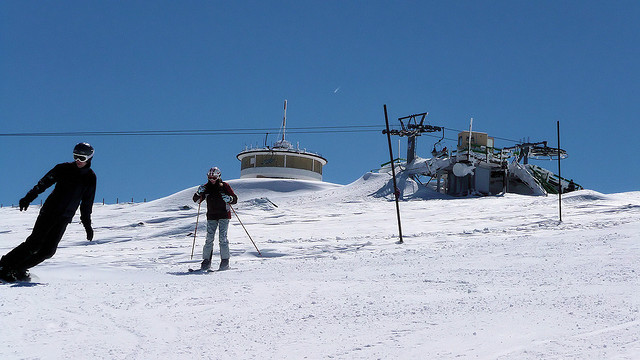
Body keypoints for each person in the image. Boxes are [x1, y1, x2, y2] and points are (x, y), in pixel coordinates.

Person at [0, 142, 97, 282]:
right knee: (34, 243)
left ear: (89, 158)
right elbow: (43, 184)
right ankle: (4, 266)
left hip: (64, 217)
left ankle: (18, 269)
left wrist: (87, 224)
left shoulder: (90, 178)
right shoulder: (63, 168)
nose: (78, 161)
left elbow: (87, 203)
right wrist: (29, 197)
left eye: (82, 158)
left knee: (48, 251)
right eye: (76, 156)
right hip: (49, 212)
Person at [192, 167, 237, 271]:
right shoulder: (206, 187)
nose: (212, 179)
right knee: (209, 239)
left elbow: (235, 199)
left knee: (223, 238)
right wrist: (198, 193)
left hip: (224, 215)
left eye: (214, 177)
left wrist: (229, 199)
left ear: (218, 176)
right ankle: (206, 261)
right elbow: (196, 200)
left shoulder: (224, 186)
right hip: (211, 216)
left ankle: (225, 261)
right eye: (210, 177)